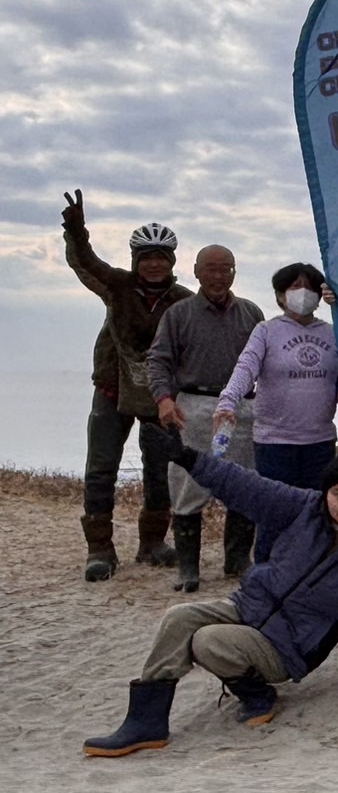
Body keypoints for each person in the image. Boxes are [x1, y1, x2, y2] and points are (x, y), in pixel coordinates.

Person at [83, 432, 338, 757]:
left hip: (287, 648)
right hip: (248, 607)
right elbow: (244, 486)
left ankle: (259, 696)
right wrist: (188, 458)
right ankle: (146, 722)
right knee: (180, 617)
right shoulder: (304, 508)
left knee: (209, 641)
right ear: (325, 492)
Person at [62, 190, 189, 579]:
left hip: (160, 398)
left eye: (160, 258)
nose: (153, 264)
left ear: (171, 262)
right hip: (112, 388)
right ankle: (99, 549)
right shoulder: (117, 286)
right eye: (146, 258)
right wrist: (76, 231)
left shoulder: (183, 301)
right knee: (101, 468)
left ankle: (152, 544)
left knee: (159, 472)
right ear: (136, 261)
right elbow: (86, 263)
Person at [146, 245, 265, 590]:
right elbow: (159, 361)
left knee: (243, 483)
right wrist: (163, 399)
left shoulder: (251, 313)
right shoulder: (178, 314)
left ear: (234, 272)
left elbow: (266, 366)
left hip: (242, 410)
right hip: (193, 408)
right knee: (187, 484)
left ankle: (237, 561)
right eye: (211, 269)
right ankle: (188, 568)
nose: (218, 276)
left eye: (225, 269)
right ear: (196, 272)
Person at [215, 262, 338, 563]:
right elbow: (246, 367)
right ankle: (266, 574)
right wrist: (227, 402)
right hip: (275, 442)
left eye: (310, 288)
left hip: (319, 441)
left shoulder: (334, 333)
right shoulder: (266, 331)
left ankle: (309, 572)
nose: (303, 294)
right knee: (273, 513)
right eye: (294, 287)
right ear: (280, 296)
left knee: (315, 513)